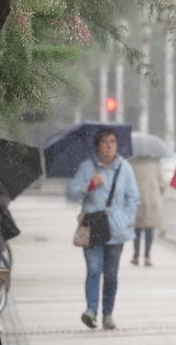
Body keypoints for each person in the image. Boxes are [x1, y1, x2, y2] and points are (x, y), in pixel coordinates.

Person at [68, 127, 140, 330]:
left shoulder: (125, 168)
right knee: (93, 269)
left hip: (116, 228)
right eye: (105, 142)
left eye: (113, 141)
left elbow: (133, 198)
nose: (110, 146)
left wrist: (126, 219)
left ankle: (108, 314)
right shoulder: (86, 167)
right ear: (97, 146)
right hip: (93, 225)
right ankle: (91, 311)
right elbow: (71, 194)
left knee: (111, 274)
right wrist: (89, 185)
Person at [129, 155, 164, 266]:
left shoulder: (132, 164)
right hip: (152, 200)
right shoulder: (156, 164)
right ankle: (147, 256)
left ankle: (136, 255)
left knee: (136, 230)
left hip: (136, 200)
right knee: (149, 230)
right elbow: (162, 184)